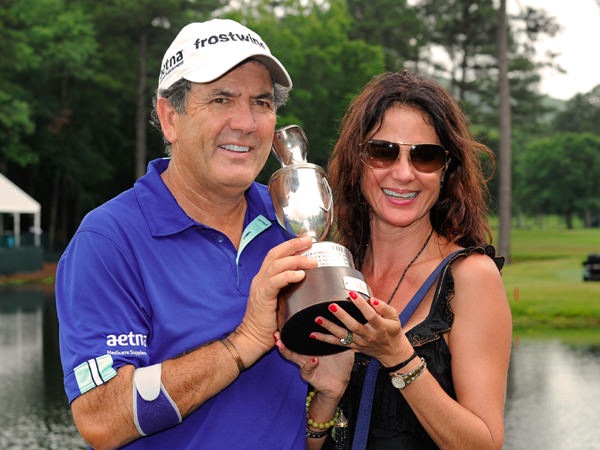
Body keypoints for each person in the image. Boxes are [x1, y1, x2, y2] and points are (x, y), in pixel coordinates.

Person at [55, 18, 348, 450]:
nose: (246, 123)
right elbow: (100, 418)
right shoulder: (109, 239)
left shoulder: (294, 221)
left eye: (262, 103)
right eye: (221, 99)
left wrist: (326, 401)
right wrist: (244, 341)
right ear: (169, 117)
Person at [290, 71, 512, 449]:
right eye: (383, 152)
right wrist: (328, 395)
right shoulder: (331, 269)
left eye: (426, 156)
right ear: (357, 161)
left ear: (446, 171)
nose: (404, 173)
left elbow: (485, 444)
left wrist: (398, 356)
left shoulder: (471, 277)